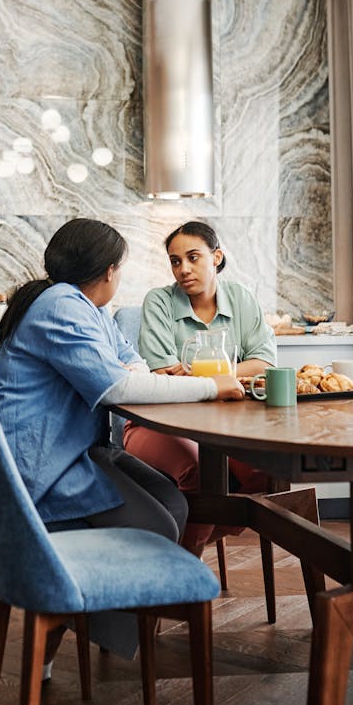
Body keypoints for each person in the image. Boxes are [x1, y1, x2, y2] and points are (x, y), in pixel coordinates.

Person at [0, 217, 244, 661]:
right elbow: (119, 387)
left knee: (175, 502)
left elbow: (131, 365)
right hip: (39, 463)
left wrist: (146, 375)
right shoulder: (61, 306)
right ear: (109, 271)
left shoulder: (88, 309)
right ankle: (83, 623)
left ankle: (103, 628)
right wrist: (210, 384)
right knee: (158, 523)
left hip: (72, 451)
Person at [123, 219, 277, 554]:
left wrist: (198, 376)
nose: (183, 269)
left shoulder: (241, 297)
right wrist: (226, 380)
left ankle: (194, 538)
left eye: (193, 257)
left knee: (264, 471)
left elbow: (264, 363)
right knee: (199, 470)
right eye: (176, 261)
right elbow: (161, 375)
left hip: (227, 424)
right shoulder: (159, 302)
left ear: (217, 257)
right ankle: (185, 573)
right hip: (158, 423)